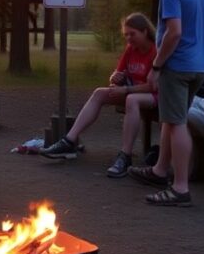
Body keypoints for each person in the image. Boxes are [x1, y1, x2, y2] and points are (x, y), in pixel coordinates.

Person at [127, 0, 204, 207]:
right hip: (199, 66)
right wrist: (196, 52)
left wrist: (156, 66)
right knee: (171, 119)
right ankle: (159, 170)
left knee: (177, 124)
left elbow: (174, 32)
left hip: (177, 67)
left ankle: (180, 188)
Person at [40, 13, 158, 168]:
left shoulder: (156, 51)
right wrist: (114, 77)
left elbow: (153, 86)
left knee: (131, 99)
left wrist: (126, 89)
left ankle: (125, 155)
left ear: (145, 31)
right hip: (130, 91)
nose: (129, 38)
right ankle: (68, 141)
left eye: (132, 34)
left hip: (154, 95)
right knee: (99, 93)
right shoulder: (130, 49)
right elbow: (117, 73)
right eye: (126, 35)